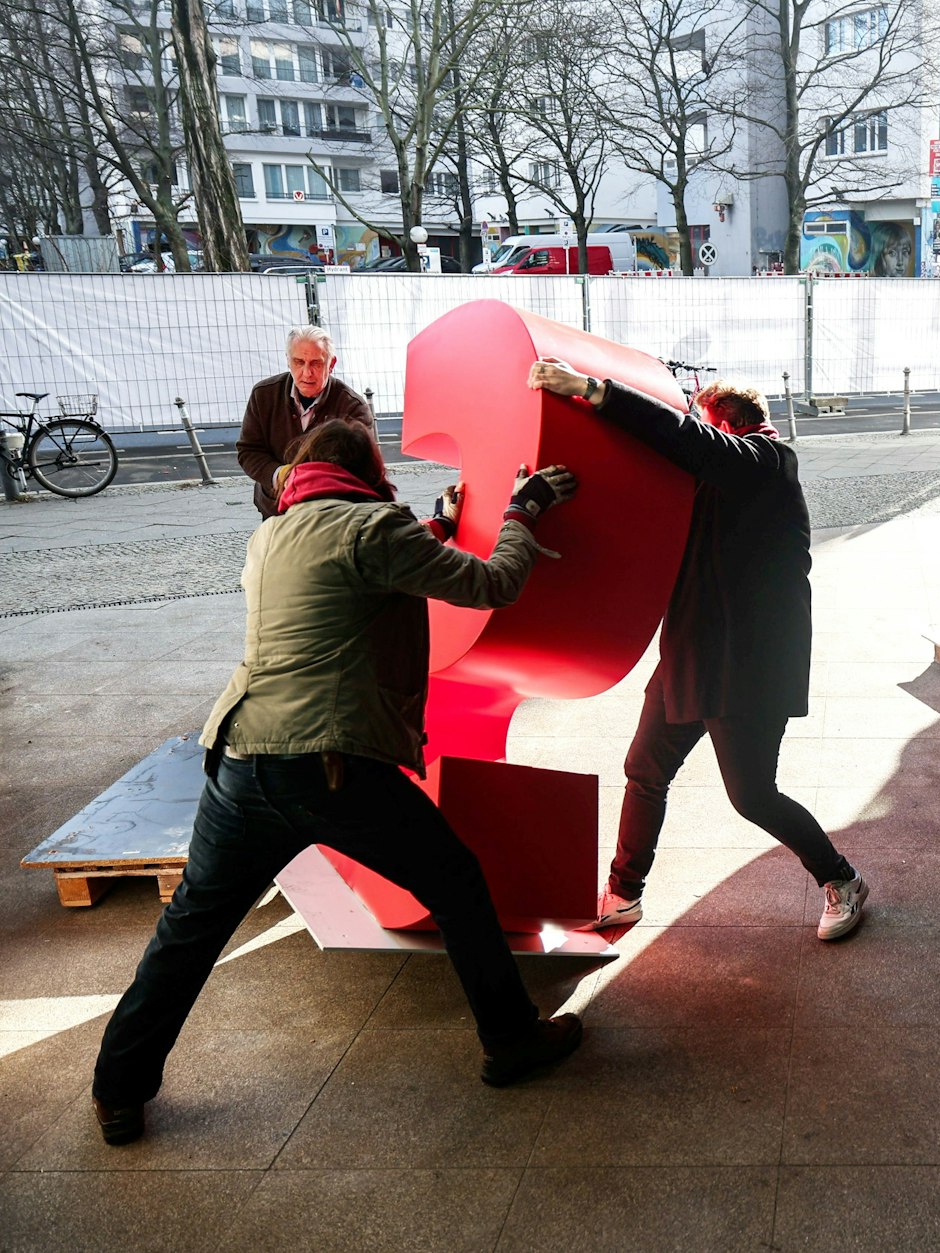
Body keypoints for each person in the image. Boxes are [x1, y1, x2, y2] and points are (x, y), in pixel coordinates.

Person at [90, 420, 582, 1147]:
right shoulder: (373, 527)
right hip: (330, 768)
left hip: (239, 758)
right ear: (368, 471)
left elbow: (346, 572)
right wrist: (523, 508)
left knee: (189, 931)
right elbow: (493, 583)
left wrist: (437, 524)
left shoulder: (272, 532)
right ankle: (511, 1039)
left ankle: (117, 1090)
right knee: (454, 880)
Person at [525, 359, 869, 942]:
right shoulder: (714, 482)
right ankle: (625, 893)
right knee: (644, 769)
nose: (695, 433)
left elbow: (684, 440)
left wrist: (594, 390)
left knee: (753, 795)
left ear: (728, 426)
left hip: (748, 669)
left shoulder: (767, 463)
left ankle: (842, 879)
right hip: (693, 656)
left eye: (704, 423)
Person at [238, 325, 375, 517]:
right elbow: (249, 450)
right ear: (288, 361)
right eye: (298, 362)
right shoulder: (264, 395)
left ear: (331, 363)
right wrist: (279, 475)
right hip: (275, 508)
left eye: (316, 364)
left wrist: (308, 482)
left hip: (330, 512)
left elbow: (362, 467)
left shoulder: (352, 407)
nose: (306, 373)